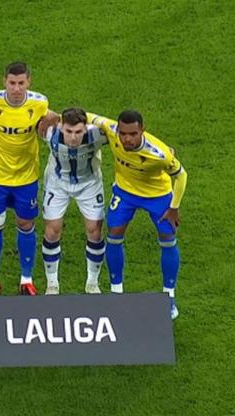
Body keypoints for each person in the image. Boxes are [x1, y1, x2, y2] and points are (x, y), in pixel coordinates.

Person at [87, 110, 187, 319]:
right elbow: (86, 116)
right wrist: (56, 117)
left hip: (157, 195)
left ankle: (169, 295)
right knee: (114, 235)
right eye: (123, 133)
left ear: (142, 129)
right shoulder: (111, 129)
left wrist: (174, 207)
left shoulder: (159, 154)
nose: (126, 139)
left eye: (132, 134)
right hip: (125, 192)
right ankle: (116, 292)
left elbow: (181, 175)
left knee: (168, 238)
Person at [0, 62, 50, 296]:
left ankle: (26, 279)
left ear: (29, 82)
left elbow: (51, 119)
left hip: (26, 178)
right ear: (4, 81)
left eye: (21, 83)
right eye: (12, 83)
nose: (16, 89)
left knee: (25, 225)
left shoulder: (39, 103)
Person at [39, 107, 109, 295]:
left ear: (86, 128)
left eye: (78, 132)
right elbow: (20, 121)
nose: (73, 137)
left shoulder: (98, 135)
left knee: (94, 231)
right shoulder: (49, 131)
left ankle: (92, 283)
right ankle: (52, 283)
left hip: (89, 184)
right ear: (61, 127)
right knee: (52, 230)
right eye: (68, 131)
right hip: (57, 183)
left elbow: (124, 135)